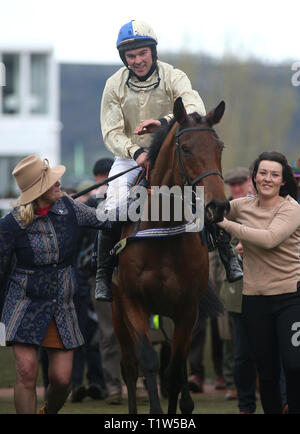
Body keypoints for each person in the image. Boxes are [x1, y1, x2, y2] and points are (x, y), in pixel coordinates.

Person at [95, 19, 242, 302]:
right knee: (112, 207)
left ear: (153, 51)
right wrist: (136, 152)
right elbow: (111, 130)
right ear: (123, 57)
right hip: (130, 157)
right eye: (131, 55)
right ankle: (103, 272)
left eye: (142, 53)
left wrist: (163, 122)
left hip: (173, 149)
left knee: (205, 195)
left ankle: (226, 253)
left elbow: (196, 107)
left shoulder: (174, 75)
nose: (137, 60)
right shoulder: (113, 84)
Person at [0, 155, 107, 414]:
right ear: (39, 189)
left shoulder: (70, 208)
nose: (59, 182)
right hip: (23, 303)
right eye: (52, 181)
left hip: (62, 304)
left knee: (61, 381)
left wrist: (127, 202)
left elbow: (106, 219)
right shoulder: (10, 224)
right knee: (27, 372)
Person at [217, 151, 300, 414]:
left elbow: (269, 239)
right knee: (265, 372)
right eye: (263, 173)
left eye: (274, 175)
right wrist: (212, 207)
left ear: (283, 181)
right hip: (254, 300)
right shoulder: (243, 205)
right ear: (254, 178)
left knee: (294, 364)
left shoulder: (292, 209)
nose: (268, 179)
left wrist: (226, 224)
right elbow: (215, 207)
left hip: (290, 298)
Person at [86, 158, 124, 405]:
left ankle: (138, 382)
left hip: (129, 271)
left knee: (137, 329)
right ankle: (114, 387)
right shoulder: (92, 201)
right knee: (108, 333)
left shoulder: (130, 198)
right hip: (104, 273)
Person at [220, 167, 257, 412]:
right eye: (231, 184)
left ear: (248, 182)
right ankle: (239, 389)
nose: (236, 188)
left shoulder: (258, 206)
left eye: (239, 183)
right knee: (235, 344)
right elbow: (218, 248)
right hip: (235, 284)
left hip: (267, 284)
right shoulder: (227, 211)